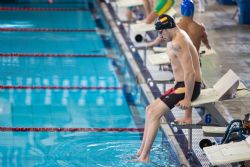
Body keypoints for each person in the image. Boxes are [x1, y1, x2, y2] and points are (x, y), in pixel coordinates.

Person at [136, 14, 202, 162]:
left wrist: (187, 99)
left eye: (161, 32)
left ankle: (145, 157)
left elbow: (190, 73)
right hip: (180, 85)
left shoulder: (178, 42)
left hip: (188, 87)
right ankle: (141, 151)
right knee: (149, 109)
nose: (160, 35)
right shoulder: (175, 35)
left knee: (154, 114)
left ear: (169, 28)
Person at [147, 0, 210, 124]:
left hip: (181, 60)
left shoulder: (178, 26)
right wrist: (208, 46)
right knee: (191, 79)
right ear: (193, 11)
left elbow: (162, 36)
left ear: (181, 11)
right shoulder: (199, 27)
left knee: (187, 79)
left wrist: (153, 43)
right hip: (196, 59)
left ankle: (187, 116)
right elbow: (205, 39)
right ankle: (188, 116)